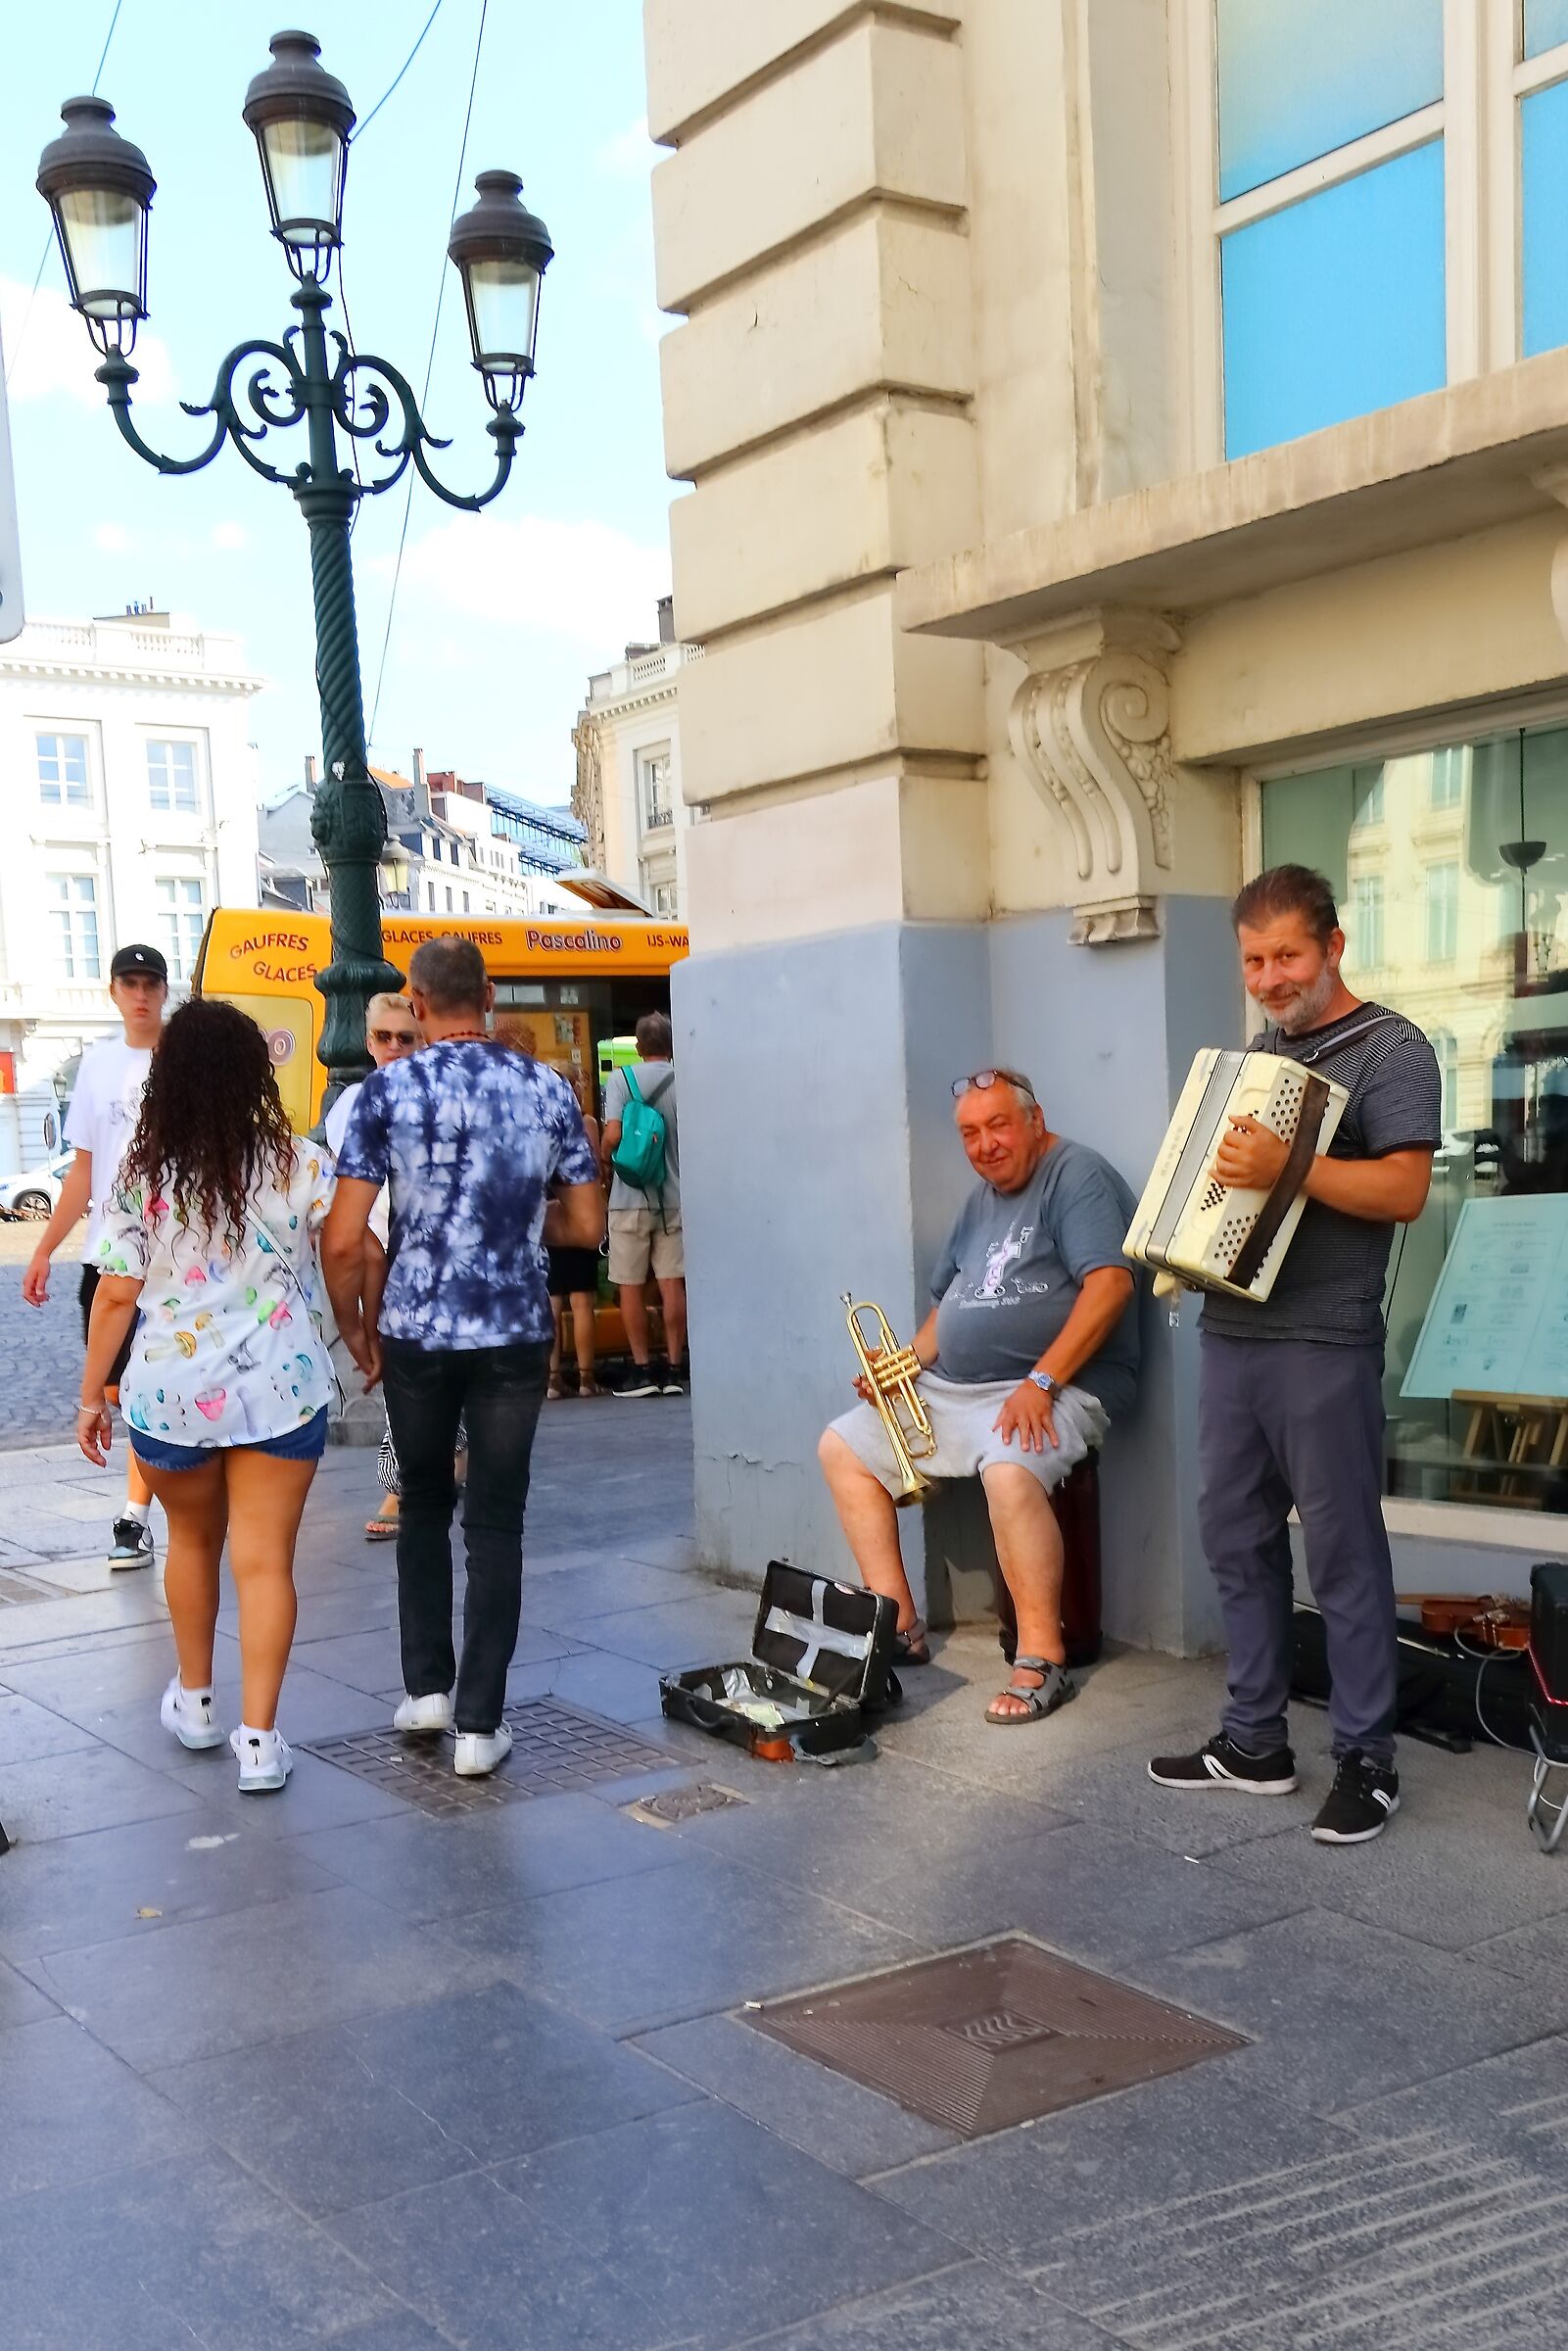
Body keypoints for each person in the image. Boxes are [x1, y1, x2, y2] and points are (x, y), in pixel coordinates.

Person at [1148, 864, 1440, 1845]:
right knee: (1233, 1537)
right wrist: (1184, 1243)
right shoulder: (1261, 1052)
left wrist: (1291, 1170)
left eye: (1285, 956)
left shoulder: (1389, 1048)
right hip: (1233, 1331)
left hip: (1323, 1337)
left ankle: (1367, 1759)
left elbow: (1401, 1193)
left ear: (1331, 947)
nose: (1269, 978)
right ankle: (1253, 1740)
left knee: (1344, 1551)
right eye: (1252, 961)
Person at [321, 936, 602, 1778]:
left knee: (421, 1503)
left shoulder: (386, 1090)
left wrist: (357, 1329)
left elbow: (342, 1241)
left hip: (416, 1331)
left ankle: (427, 1691)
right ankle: (480, 1726)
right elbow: (587, 1227)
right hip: (514, 1330)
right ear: (484, 993)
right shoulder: (544, 1086)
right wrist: (514, 1229)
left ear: (412, 998)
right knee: (496, 1522)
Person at [819, 1069, 1138, 1725]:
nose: (985, 1144)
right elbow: (952, 1304)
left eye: (998, 1125)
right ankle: (897, 1622)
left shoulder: (1075, 1175)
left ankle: (1041, 1658)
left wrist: (1041, 1382)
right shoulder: (981, 1199)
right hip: (959, 1388)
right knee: (842, 1445)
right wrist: (901, 1366)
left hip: (1061, 1385)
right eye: (970, 1132)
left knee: (1010, 1469)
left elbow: (1109, 1288)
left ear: (1034, 1120)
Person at [75, 999, 336, 1795]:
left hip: (172, 1392)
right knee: (265, 1565)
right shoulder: (302, 1162)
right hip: (280, 1387)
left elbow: (115, 1295)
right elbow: (348, 1249)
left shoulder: (142, 1173)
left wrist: (92, 1397)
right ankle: (259, 1742)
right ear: (255, 1073)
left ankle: (194, 1702)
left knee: (190, 1544)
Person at [24, 942, 168, 1571]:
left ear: (165, 992)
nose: (141, 994)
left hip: (172, 1254)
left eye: (151, 983)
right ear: (113, 991)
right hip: (109, 1250)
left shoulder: (183, 1057)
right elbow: (83, 1167)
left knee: (149, 1390)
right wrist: (46, 1246)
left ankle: (134, 1516)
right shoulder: (97, 1065)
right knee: (117, 1391)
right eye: (129, 983)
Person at [323, 993, 419, 1540]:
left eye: (405, 1037)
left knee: (420, 1374)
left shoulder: (435, 1096)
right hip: (383, 1251)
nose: (394, 1048)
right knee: (404, 1375)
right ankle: (402, 1480)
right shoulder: (354, 1104)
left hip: (429, 1257)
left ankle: (413, 1475)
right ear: (367, 1042)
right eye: (384, 1037)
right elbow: (347, 1202)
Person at [602, 1012, 687, 1397]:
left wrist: (607, 1155)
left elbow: (614, 1134)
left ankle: (641, 1370)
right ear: (671, 1044)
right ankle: (674, 1365)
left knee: (630, 1286)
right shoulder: (683, 1079)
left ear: (638, 1046)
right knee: (672, 1285)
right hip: (674, 1198)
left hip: (629, 1200)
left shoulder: (622, 1079)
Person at [546, 1093, 603, 1398]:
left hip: (547, 1215)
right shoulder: (584, 1123)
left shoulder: (537, 1122)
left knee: (553, 1299)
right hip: (579, 1213)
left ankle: (553, 1378)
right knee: (582, 1302)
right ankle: (585, 1378)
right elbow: (595, 1166)